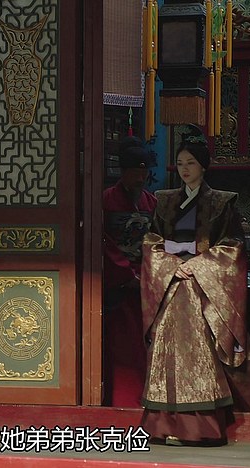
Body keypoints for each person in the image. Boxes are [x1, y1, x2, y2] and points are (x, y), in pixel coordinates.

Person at [139, 126, 250, 446]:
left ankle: (200, 427)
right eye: (181, 163)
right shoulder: (165, 201)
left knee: (199, 352)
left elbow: (233, 246)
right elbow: (151, 242)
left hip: (202, 287)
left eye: (191, 163)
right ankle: (163, 424)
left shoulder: (222, 202)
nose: (185, 169)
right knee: (166, 352)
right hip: (172, 286)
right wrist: (172, 265)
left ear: (203, 167)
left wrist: (197, 264)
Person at [102, 136, 158, 407]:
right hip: (118, 283)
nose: (140, 179)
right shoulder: (106, 200)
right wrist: (126, 275)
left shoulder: (151, 202)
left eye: (144, 173)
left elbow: (158, 242)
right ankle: (121, 401)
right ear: (123, 172)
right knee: (122, 347)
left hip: (146, 282)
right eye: (135, 172)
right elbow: (103, 242)